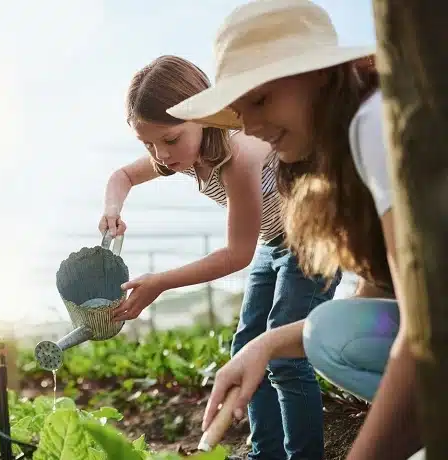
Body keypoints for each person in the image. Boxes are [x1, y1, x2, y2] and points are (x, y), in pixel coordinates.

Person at [167, 0, 422, 459]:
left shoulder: (376, 124)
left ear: (322, 74)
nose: (254, 126)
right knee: (333, 329)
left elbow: (426, 328)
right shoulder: (338, 158)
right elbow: (382, 301)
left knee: (334, 333)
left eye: (262, 99)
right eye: (242, 110)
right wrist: (262, 346)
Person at [100, 54, 340, 460]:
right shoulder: (177, 154)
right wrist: (112, 209)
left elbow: (236, 254)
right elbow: (121, 177)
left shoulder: (237, 156)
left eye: (170, 140)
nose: (160, 154)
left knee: (282, 354)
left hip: (313, 239)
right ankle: (265, 454)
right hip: (273, 243)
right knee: (247, 346)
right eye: (148, 144)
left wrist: (160, 281)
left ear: (206, 114)